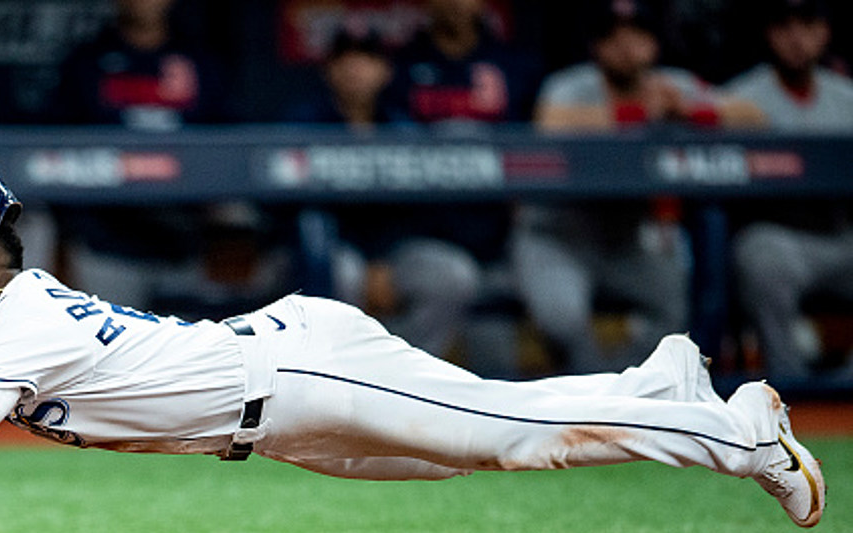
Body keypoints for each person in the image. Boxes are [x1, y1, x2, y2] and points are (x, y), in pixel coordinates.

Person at [0, 155, 826, 533]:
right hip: (282, 424)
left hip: (306, 368)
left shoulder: (15, 315)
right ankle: (658, 377)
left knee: (505, 438)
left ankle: (739, 434)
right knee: (504, 434)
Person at [511, 0, 762, 375]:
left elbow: (755, 119)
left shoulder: (671, 85)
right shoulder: (572, 86)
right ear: (596, 46)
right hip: (559, 237)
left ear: (654, 43)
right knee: (562, 319)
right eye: (612, 36)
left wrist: (692, 111)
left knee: (674, 306)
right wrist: (637, 114)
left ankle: (617, 387)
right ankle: (591, 391)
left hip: (626, 240)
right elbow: (551, 124)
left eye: (637, 35)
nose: (626, 45)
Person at [52, 0, 262, 314]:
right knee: (112, 358)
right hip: (108, 244)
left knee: (179, 359)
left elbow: (230, 147)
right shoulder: (88, 60)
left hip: (182, 244)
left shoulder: (199, 59)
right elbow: (55, 148)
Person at [287, 28, 470, 359]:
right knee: (343, 272)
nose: (355, 67)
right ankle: (342, 373)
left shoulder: (403, 128)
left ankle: (407, 372)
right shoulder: (304, 125)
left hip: (394, 252)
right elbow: (303, 211)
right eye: (344, 57)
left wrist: (383, 259)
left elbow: (420, 209)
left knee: (453, 275)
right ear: (328, 69)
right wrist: (369, 259)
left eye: (367, 58)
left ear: (385, 70)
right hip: (335, 251)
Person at [381, 0, 544, 369]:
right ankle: (398, 395)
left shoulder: (516, 66)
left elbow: (541, 159)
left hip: (498, 240)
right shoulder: (399, 68)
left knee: (496, 367)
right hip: (425, 234)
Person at [724, 0, 853, 380]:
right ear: (770, 35)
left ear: (824, 33)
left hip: (841, 235)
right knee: (761, 256)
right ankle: (788, 387)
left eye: (807, 25)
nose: (796, 38)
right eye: (785, 27)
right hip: (781, 236)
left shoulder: (847, 96)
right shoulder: (740, 97)